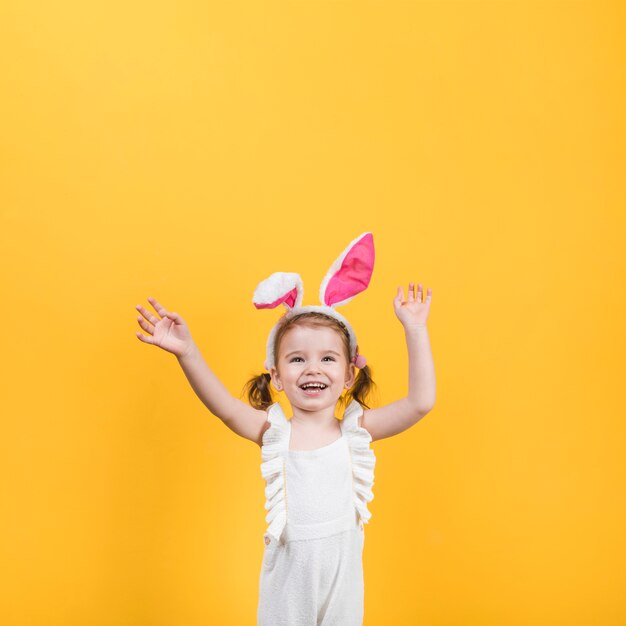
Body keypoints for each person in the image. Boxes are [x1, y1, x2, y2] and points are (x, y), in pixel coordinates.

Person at [134, 232, 436, 625]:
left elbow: (420, 403)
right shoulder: (275, 432)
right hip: (290, 583)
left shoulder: (356, 432)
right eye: (297, 359)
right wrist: (188, 352)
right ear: (276, 376)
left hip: (341, 580)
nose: (312, 368)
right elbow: (224, 407)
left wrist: (415, 329)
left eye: (327, 358)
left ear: (347, 375)